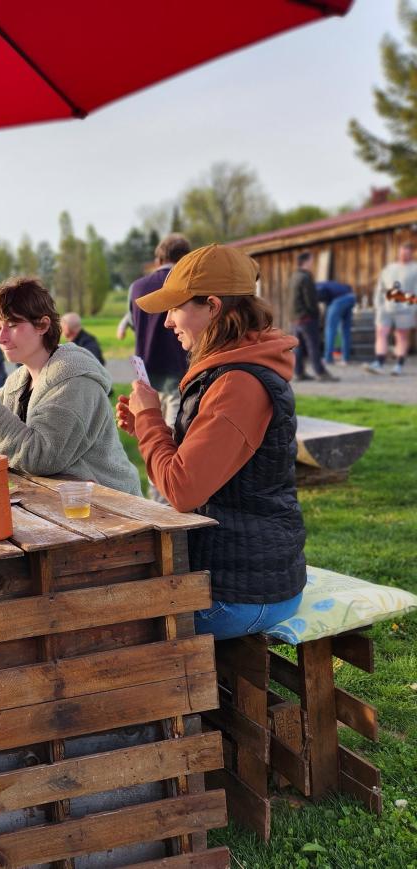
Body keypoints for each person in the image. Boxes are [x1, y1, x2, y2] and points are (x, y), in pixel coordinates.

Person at [116, 244, 306, 640]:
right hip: (239, 577)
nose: (167, 322)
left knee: (105, 625)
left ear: (214, 307)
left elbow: (182, 490)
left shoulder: (239, 383)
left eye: (176, 308)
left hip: (244, 594)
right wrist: (149, 430)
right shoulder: (232, 372)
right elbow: (207, 475)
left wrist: (151, 418)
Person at [0, 277, 141, 495]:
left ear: (43, 325)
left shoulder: (75, 381)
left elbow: (44, 457)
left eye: (12, 325)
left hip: (112, 507)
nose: (2, 337)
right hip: (57, 503)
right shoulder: (17, 381)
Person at [118, 234, 192, 502]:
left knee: (149, 429)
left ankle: (157, 491)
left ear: (158, 259)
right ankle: (163, 498)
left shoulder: (137, 286)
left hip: (147, 367)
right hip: (178, 365)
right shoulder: (184, 283)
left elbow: (135, 322)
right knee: (171, 437)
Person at [368, 241, 417, 375]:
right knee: (381, 333)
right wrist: (378, 305)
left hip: (405, 309)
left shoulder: (415, 269)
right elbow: (380, 287)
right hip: (385, 308)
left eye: (406, 253)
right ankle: (379, 362)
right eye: (401, 252)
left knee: (401, 336)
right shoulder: (389, 268)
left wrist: (413, 309)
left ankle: (399, 365)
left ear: (411, 254)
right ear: (398, 252)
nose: (403, 255)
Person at [289, 251, 338, 382]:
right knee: (313, 346)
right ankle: (321, 373)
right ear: (305, 261)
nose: (312, 263)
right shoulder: (306, 277)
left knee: (298, 347)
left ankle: (298, 373)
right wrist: (317, 314)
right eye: (311, 261)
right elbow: (310, 299)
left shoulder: (294, 276)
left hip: (295, 318)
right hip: (306, 318)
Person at [315, 280, 356, 365]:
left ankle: (328, 358)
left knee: (330, 329)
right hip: (351, 297)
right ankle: (346, 359)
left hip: (339, 300)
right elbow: (347, 287)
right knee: (346, 330)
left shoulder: (316, 287)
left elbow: (322, 295)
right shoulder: (327, 283)